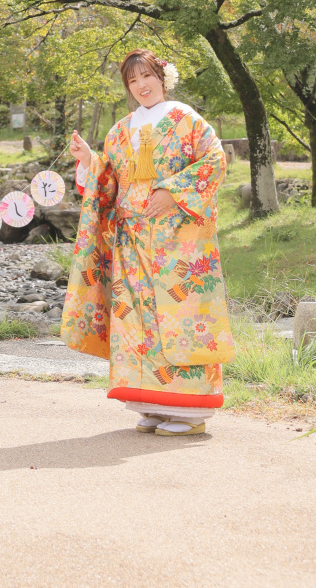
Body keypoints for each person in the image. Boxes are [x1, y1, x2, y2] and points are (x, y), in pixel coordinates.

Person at [61, 49, 234, 436]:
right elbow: (108, 179)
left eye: (146, 76)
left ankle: (190, 412)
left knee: (180, 316)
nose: (141, 85)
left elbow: (214, 160)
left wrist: (173, 192)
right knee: (135, 317)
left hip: (178, 239)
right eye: (132, 80)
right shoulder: (121, 129)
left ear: (162, 76)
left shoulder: (185, 118)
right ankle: (152, 403)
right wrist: (90, 159)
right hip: (131, 240)